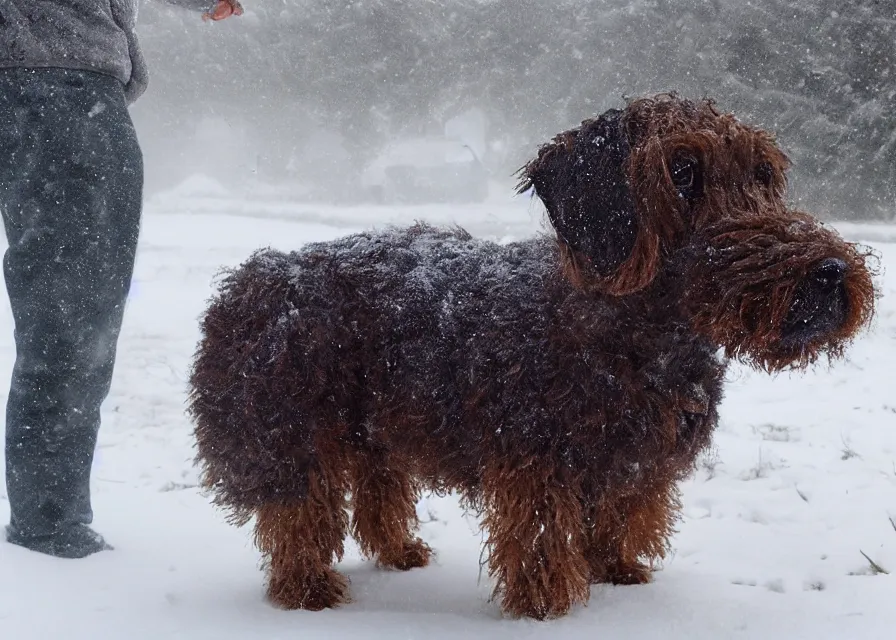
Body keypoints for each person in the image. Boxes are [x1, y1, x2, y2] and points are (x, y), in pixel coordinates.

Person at [0, 0, 244, 559]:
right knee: (72, 319)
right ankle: (48, 522)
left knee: (66, 315)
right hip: (59, 85)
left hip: (44, 80)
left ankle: (47, 513)